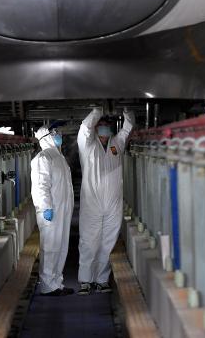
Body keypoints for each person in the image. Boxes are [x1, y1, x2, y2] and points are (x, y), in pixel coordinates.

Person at [77, 107, 134, 295]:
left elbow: (128, 127)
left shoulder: (116, 144)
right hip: (92, 203)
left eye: (105, 126)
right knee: (89, 241)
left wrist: (126, 111)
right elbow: (84, 127)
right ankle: (86, 280)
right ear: (95, 129)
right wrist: (98, 111)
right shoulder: (87, 145)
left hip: (113, 203)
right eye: (99, 126)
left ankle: (102, 280)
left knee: (108, 242)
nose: (103, 129)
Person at [30, 125, 75, 296]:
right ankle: (48, 285)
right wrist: (45, 207)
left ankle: (57, 282)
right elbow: (41, 186)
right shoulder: (43, 157)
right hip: (51, 212)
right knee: (50, 248)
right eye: (54, 134)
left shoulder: (58, 156)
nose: (59, 136)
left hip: (62, 210)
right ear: (46, 137)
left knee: (61, 247)